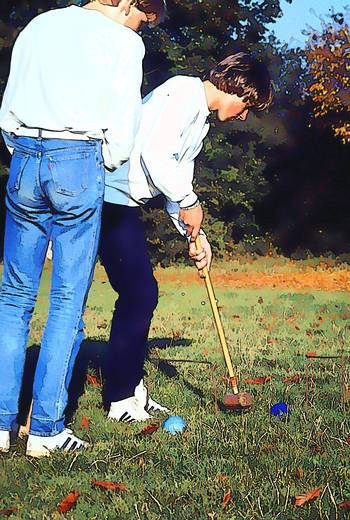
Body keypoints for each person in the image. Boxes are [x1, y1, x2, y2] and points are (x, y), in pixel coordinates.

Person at [0, 0, 166, 457]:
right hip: (77, 160)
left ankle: (0, 423)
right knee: (67, 299)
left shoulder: (40, 24)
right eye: (141, 19)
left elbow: (8, 107)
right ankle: (47, 429)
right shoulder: (121, 41)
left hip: (24, 158)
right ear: (129, 3)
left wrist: (22, 147)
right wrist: (102, 160)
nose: (140, 29)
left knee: (14, 296)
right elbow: (123, 125)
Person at [97, 52, 274, 422]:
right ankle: (118, 399)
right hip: (106, 199)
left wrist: (195, 234)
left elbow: (177, 181)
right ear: (235, 86)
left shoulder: (201, 120)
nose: (244, 115)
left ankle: (132, 389)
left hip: (125, 203)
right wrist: (189, 202)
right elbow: (154, 156)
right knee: (139, 293)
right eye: (246, 104)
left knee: (140, 294)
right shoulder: (181, 93)